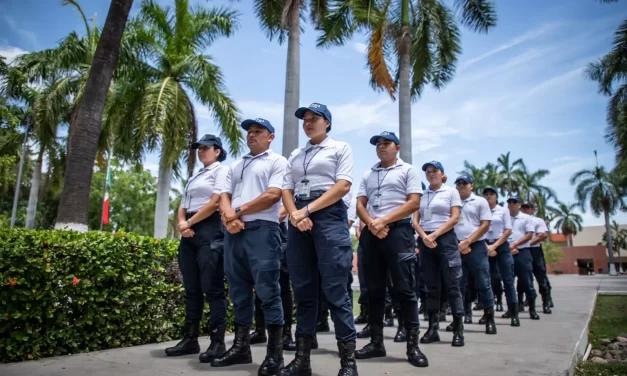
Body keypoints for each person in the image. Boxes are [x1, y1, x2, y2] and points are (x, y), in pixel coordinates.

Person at [281, 103, 357, 376]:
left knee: (336, 290)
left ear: (328, 123)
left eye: (315, 119)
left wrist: (308, 210)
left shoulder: (340, 148)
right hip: (299, 218)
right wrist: (295, 214)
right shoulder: (296, 154)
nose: (308, 123)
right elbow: (286, 188)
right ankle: (302, 361)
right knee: (303, 290)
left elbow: (343, 185)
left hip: (328, 216)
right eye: (305, 119)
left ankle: (348, 363)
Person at [211, 118, 288, 376]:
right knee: (238, 290)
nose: (252, 135)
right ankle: (241, 347)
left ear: (271, 137)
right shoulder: (237, 164)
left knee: (268, 292)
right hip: (234, 233)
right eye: (250, 132)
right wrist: (227, 217)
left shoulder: (277, 161)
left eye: (258, 131)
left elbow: (273, 195)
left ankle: (275, 355)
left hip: (262, 231)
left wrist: (237, 212)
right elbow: (224, 195)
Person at [354, 131, 428, 367]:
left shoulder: (408, 171)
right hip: (373, 234)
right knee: (374, 291)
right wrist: (373, 224)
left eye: (386, 144)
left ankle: (412, 346)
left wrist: (383, 221)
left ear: (397, 147)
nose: (381, 147)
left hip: (398, 234)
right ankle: (376, 342)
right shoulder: (368, 173)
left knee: (405, 289)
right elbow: (359, 204)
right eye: (378, 144)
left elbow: (414, 202)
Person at [165, 134, 229, 362]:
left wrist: (190, 223)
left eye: (206, 148)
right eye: (199, 148)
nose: (201, 151)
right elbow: (183, 204)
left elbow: (215, 202)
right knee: (191, 288)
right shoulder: (196, 175)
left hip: (209, 229)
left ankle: (217, 342)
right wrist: (182, 224)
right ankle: (190, 339)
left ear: (218, 151)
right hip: (189, 232)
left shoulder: (221, 171)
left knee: (212, 287)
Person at [414, 161, 464, 347]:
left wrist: (434, 235)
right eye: (428, 171)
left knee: (452, 286)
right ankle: (432, 328)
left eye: (434, 171)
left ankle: (458, 330)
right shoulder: (422, 195)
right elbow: (416, 220)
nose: (431, 174)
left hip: (446, 241)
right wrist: (424, 237)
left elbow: (455, 218)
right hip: (426, 242)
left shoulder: (451, 192)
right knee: (431, 287)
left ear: (442, 174)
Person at [449, 175, 496, 339]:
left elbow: (485, 225)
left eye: (464, 183)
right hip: (456, 246)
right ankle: (458, 320)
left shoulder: (480, 202)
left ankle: (490, 318)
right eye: (458, 183)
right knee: (457, 285)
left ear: (471, 186)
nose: (461, 186)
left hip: (476, 246)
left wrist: (468, 242)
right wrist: (458, 244)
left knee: (483, 282)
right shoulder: (452, 202)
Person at [249, 204, 297, 352]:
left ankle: (286, 334)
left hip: (276, 228)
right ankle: (259, 330)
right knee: (259, 283)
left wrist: (265, 221)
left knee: (281, 283)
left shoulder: (281, 180)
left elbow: (285, 207)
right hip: (254, 230)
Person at [482, 187, 519, 326]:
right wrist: (487, 247)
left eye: (491, 194)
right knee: (488, 282)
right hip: (485, 245)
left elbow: (508, 230)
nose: (488, 196)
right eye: (486, 194)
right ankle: (488, 313)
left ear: (496, 197)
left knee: (508, 281)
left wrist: (495, 246)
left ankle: (513, 313)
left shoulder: (503, 210)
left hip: (501, 246)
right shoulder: (481, 210)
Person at [507, 196, 540, 321]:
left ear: (519, 205)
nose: (511, 204)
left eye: (514, 202)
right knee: (508, 283)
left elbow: (529, 235)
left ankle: (532, 309)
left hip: (523, 252)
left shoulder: (526, 218)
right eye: (509, 202)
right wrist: (509, 248)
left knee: (527, 282)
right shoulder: (505, 218)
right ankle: (512, 310)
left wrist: (515, 245)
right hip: (508, 252)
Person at [521, 202, 552, 314]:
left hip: (535, 250)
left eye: (527, 207)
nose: (525, 209)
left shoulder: (538, 220)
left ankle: (546, 303)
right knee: (523, 278)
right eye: (523, 207)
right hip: (522, 250)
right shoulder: (518, 220)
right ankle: (523, 302)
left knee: (541, 277)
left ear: (532, 210)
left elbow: (542, 235)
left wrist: (527, 243)